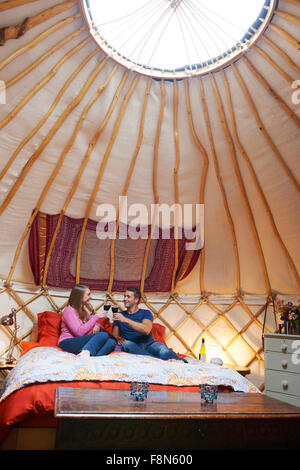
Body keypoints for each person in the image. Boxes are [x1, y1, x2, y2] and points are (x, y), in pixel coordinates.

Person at [112, 287, 186, 362]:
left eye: (128, 297)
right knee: (126, 344)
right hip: (132, 345)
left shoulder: (145, 313)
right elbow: (115, 334)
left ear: (136, 300)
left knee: (161, 348)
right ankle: (157, 360)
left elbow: (146, 330)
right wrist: (119, 338)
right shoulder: (120, 315)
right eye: (124, 296)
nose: (125, 299)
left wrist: (125, 320)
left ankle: (177, 361)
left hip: (149, 344)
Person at [58, 284, 116, 358]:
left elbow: (90, 325)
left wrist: (97, 325)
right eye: (88, 294)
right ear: (80, 296)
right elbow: (79, 333)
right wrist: (97, 316)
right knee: (103, 335)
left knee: (111, 342)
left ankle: (92, 358)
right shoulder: (69, 310)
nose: (90, 297)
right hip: (67, 343)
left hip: (80, 343)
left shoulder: (83, 311)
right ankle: (86, 351)